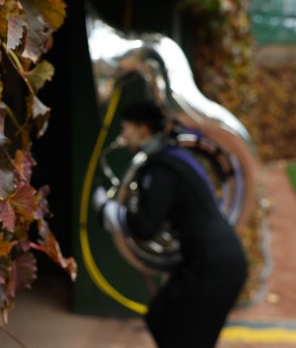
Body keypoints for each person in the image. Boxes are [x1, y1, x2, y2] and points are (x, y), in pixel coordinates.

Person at [93, 100, 247, 348]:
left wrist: (106, 210)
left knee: (179, 334)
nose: (123, 136)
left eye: (125, 129)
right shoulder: (175, 157)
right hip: (211, 262)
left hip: (211, 267)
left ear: (143, 130)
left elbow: (145, 226)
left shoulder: (162, 167)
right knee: (160, 317)